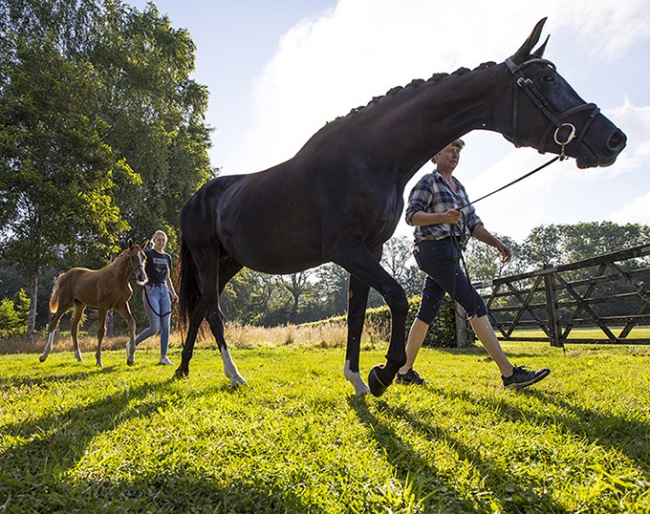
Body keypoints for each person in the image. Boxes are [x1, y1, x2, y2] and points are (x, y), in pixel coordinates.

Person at [397, 139, 550, 388]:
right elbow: (411, 216)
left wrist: (497, 243)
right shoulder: (428, 182)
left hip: (450, 253)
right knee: (475, 304)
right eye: (450, 150)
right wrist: (443, 217)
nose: (455, 155)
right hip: (432, 250)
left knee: (427, 312)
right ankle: (509, 374)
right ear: (436, 154)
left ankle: (404, 371)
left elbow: (473, 224)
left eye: (458, 151)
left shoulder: (460, 189)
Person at [127, 230, 178, 365]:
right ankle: (132, 344)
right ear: (153, 240)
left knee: (166, 326)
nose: (161, 242)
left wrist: (173, 293)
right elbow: (139, 268)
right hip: (151, 290)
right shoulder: (148, 255)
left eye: (163, 240)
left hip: (164, 291)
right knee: (155, 327)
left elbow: (167, 277)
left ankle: (163, 357)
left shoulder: (167, 257)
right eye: (158, 239)